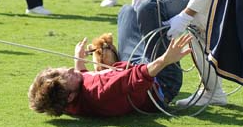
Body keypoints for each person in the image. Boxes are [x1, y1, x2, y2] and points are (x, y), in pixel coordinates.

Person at [28, 19, 192, 118]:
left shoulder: (67, 104)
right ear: (70, 97)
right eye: (66, 77)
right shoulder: (102, 91)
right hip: (161, 82)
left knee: (127, 13)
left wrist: (79, 61)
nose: (70, 70)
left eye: (63, 70)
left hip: (132, 67)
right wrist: (166, 59)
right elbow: (135, 77)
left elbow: (84, 81)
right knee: (148, 9)